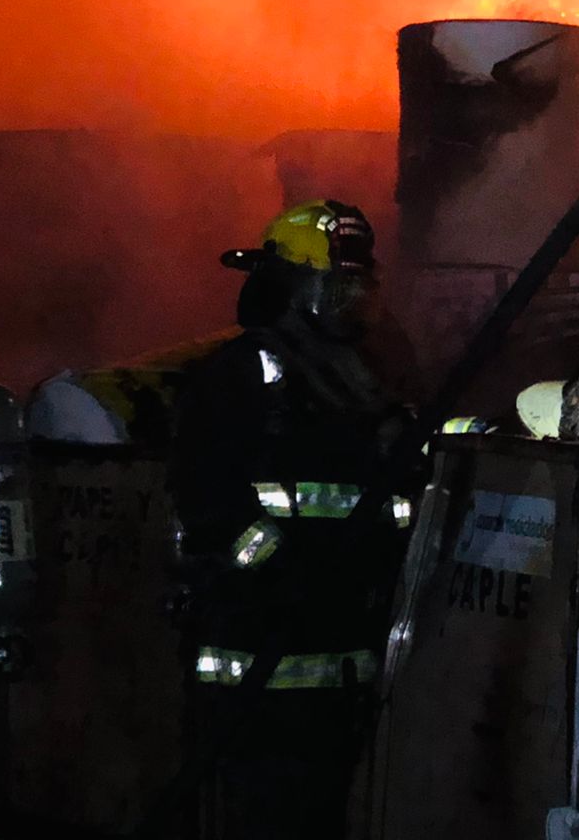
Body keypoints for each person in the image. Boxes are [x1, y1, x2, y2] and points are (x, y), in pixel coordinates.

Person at [169, 200, 415, 840]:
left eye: (359, 287)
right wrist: (277, 565)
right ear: (292, 286)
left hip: (342, 659)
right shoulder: (241, 374)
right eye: (337, 287)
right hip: (258, 654)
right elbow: (204, 497)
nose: (352, 303)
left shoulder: (372, 377)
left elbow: (392, 495)